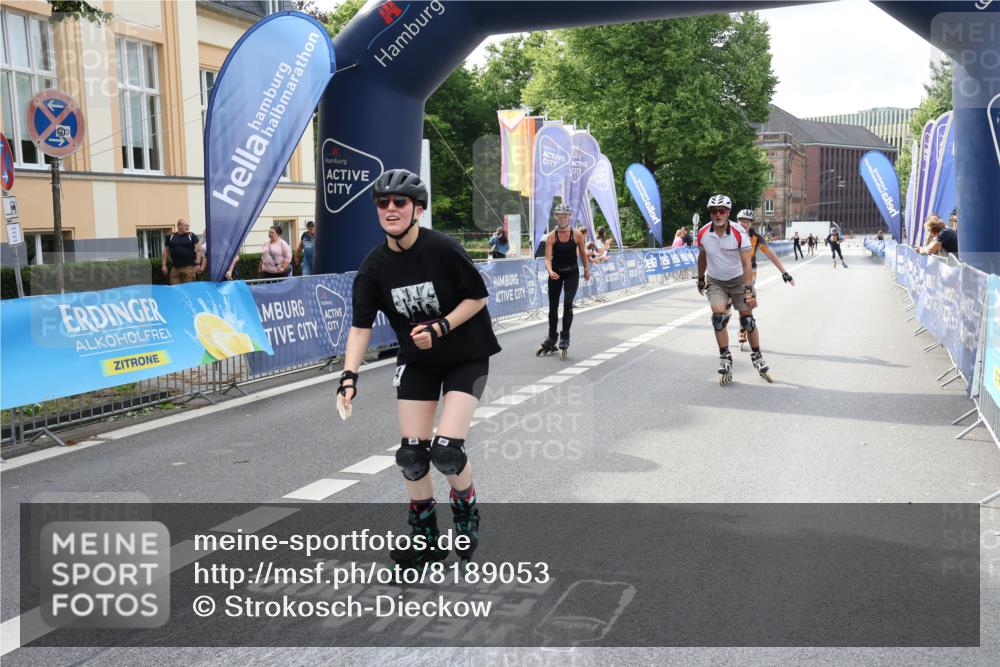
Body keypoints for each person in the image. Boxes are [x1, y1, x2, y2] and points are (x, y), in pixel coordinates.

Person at [336, 169, 500, 570]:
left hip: (466, 355)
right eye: (383, 203)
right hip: (418, 361)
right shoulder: (373, 268)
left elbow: (477, 298)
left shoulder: (442, 248)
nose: (390, 209)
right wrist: (348, 377)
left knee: (446, 452)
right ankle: (425, 537)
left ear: (418, 209)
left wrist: (440, 327)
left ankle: (466, 511)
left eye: (400, 202)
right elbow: (360, 328)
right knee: (411, 455)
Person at [696, 195, 783, 385]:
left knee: (747, 320)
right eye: (714, 211)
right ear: (710, 213)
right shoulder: (703, 233)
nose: (718, 214)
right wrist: (701, 278)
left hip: (738, 280)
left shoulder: (739, 233)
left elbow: (746, 263)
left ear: (728, 213)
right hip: (716, 281)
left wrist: (748, 290)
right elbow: (702, 257)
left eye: (722, 211)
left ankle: (757, 355)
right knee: (718, 318)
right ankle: (725, 357)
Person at [735, 210, 795, 349]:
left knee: (745, 303)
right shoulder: (730, 235)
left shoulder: (757, 238)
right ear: (737, 221)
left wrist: (784, 273)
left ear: (751, 224)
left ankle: (743, 328)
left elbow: (771, 255)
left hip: (750, 273)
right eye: (742, 221)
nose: (744, 224)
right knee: (725, 307)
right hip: (732, 272)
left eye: (747, 221)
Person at [538, 202, 591, 359]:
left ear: (570, 217)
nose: (562, 219)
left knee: (568, 303)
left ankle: (565, 336)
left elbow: (583, 254)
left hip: (571, 273)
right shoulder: (551, 237)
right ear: (555, 217)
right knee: (553, 307)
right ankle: (551, 337)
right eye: (560, 216)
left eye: (565, 216)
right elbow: (547, 258)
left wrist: (586, 269)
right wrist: (550, 271)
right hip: (555, 273)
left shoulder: (577, 234)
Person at [162, 219, 202, 285]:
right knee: (174, 288)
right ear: (179, 226)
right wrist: (164, 265)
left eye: (188, 225)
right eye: (186, 225)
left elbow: (199, 250)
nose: (188, 227)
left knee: (187, 289)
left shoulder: (191, 236)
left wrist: (198, 264)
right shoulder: (171, 237)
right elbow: (166, 251)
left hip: (189, 268)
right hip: (175, 268)